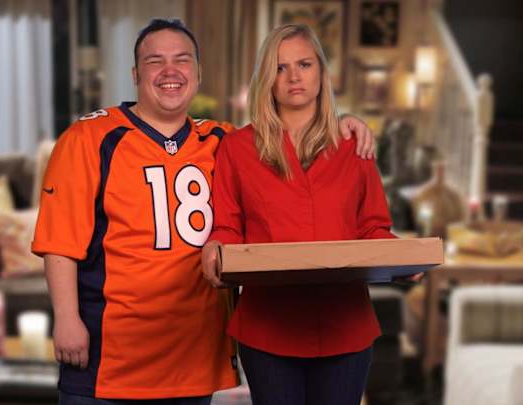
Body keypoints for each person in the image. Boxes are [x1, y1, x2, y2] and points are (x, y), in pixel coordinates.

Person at [32, 19, 376, 404]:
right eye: (154, 61)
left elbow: (286, 136)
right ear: (134, 74)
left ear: (198, 73)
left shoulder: (221, 139)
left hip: (194, 356)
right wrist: (66, 318)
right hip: (111, 356)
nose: (170, 71)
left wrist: (341, 124)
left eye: (182, 60)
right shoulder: (89, 138)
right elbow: (60, 241)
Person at [201, 24, 398, 405]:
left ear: (321, 72)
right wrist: (215, 248)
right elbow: (227, 226)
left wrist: (407, 258)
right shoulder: (237, 149)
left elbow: (374, 228)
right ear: (267, 79)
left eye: (304, 64)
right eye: (280, 67)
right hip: (268, 329)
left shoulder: (354, 146)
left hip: (346, 328)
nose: (294, 76)